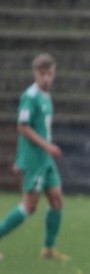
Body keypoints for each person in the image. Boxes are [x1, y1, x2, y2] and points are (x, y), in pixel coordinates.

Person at [0, 53, 69, 262]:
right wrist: (33, 154)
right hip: (36, 158)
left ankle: (48, 249)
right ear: (35, 74)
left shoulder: (45, 96)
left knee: (57, 200)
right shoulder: (29, 97)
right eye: (42, 74)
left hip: (45, 158)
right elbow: (22, 127)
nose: (47, 78)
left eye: (50, 74)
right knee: (29, 206)